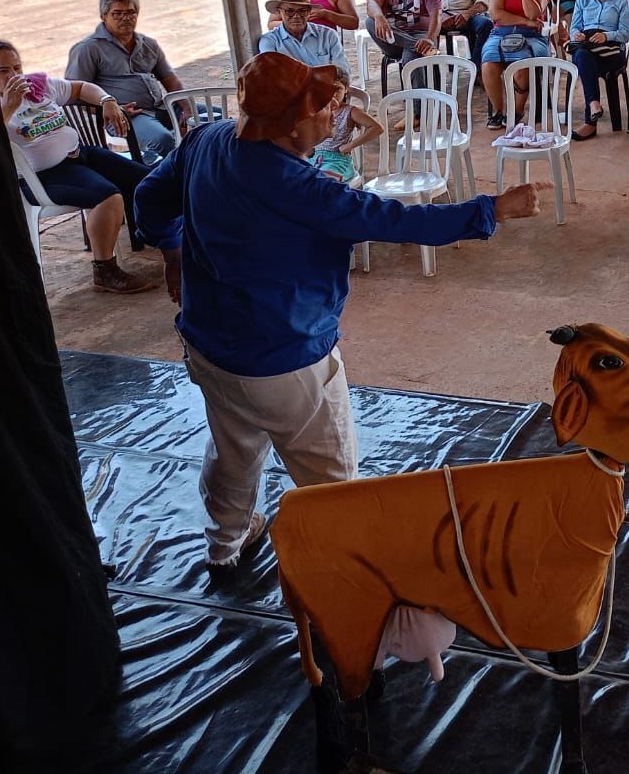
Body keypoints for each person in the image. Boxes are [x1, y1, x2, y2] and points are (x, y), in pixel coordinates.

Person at [134, 51, 542, 569]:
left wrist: (174, 253)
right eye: (320, 108)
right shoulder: (302, 189)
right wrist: (493, 208)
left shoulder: (205, 142)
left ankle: (225, 543)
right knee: (332, 479)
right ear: (289, 124)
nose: (331, 115)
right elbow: (392, 220)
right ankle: (352, 574)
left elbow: (149, 196)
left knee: (234, 448)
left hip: (209, 345)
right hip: (287, 359)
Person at [0, 39, 156, 293]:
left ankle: (164, 235)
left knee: (151, 181)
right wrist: (9, 106)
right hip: (40, 178)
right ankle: (105, 270)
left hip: (79, 156)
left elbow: (80, 88)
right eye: (3, 71)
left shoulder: (37, 87)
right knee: (108, 197)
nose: (14, 76)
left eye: (17, 67)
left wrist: (107, 100)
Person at [66, 0, 186, 164]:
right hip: (128, 116)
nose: (125, 18)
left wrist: (186, 106)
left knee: (211, 116)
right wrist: (113, 108)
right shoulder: (88, 49)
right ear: (103, 16)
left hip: (161, 107)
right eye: (117, 14)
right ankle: (176, 182)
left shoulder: (148, 44)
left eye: (130, 12)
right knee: (163, 140)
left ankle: (205, 168)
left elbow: (169, 78)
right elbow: (75, 94)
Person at [480, 0, 549, 130]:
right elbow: (495, 15)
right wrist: (524, 21)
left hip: (532, 36)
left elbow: (534, 13)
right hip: (500, 33)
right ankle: (498, 111)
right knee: (488, 65)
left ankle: (517, 111)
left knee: (522, 66)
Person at [568, 0, 629, 141]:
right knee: (583, 53)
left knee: (581, 56)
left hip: (612, 51)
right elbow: (574, 27)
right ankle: (594, 106)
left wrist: (607, 36)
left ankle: (590, 120)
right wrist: (577, 35)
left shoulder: (623, 2)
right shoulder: (583, 0)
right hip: (587, 44)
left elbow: (626, 33)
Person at [365, 0, 442, 89]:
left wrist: (430, 38)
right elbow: (372, 3)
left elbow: (436, 15)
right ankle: (419, 47)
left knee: (411, 58)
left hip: (422, 36)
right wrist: (379, 16)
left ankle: (419, 110)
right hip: (393, 39)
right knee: (370, 22)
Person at [258, 0, 351, 76]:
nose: (296, 16)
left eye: (302, 11)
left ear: (309, 11)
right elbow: (272, 75)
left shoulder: (328, 35)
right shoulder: (269, 41)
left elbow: (343, 71)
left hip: (326, 88)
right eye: (289, 11)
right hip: (290, 91)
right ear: (279, 12)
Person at [309, 69, 382, 182]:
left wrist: (351, 145)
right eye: (328, 88)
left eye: (337, 88)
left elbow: (377, 128)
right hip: (313, 158)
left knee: (322, 182)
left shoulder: (350, 111)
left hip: (337, 161)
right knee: (298, 180)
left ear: (346, 89)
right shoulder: (318, 110)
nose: (332, 93)